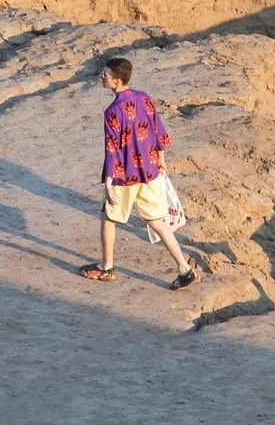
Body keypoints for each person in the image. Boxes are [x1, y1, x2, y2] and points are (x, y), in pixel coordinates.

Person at [82, 56, 198, 289]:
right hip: (151, 169)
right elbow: (157, 128)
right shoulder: (143, 98)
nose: (101, 77)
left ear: (116, 80)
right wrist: (162, 159)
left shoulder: (112, 111)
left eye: (105, 74)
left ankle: (107, 267)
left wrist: (108, 184)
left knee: (108, 217)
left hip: (126, 175)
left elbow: (112, 149)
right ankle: (185, 270)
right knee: (156, 221)